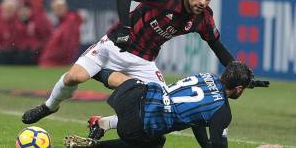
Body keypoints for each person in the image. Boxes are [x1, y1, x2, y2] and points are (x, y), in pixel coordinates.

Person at [22, 0, 268, 127]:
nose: (203, 1)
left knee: (162, 107)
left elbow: (217, 45)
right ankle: (50, 106)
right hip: (114, 45)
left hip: (145, 61)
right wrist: (126, 27)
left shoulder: (203, 19)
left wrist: (240, 74)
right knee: (73, 77)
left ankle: (104, 123)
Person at [63, 61, 255, 148]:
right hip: (136, 122)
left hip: (131, 94)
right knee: (155, 143)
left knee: (132, 84)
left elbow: (196, 120)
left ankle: (91, 67)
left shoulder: (208, 76)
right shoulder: (222, 112)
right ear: (238, 88)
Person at [38, 0, 82, 67]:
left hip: (57, 63)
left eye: (60, 8)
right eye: (55, 9)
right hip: (52, 61)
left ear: (66, 7)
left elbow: (68, 47)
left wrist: (52, 56)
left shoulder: (70, 22)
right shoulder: (62, 23)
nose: (57, 11)